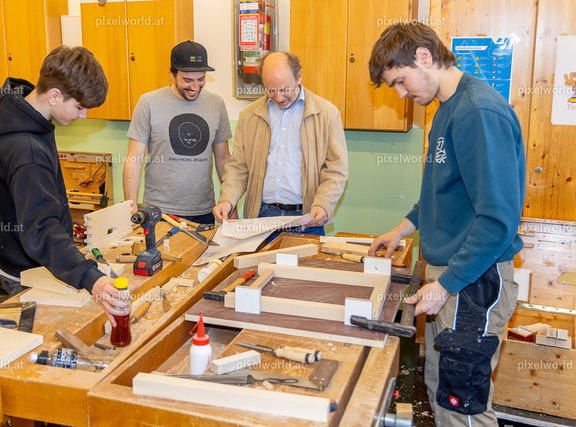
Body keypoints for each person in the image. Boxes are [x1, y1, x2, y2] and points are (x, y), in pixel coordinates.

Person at [368, 23, 525, 426]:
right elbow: (442, 194)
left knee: (463, 409)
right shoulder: (446, 109)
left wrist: (446, 285)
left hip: (473, 283)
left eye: (400, 81)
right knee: (443, 395)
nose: (400, 94)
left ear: (423, 57)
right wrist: (401, 230)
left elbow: (497, 219)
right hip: (455, 280)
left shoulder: (477, 112)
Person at [0, 46, 128, 325]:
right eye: (79, 107)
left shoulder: (12, 114)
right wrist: (93, 279)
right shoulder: (28, 149)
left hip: (16, 259)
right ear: (54, 95)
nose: (83, 116)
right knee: (42, 339)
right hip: (31, 273)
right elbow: (41, 228)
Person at [212, 52, 348, 236]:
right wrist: (227, 200)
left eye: (285, 89)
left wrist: (323, 204)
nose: (278, 98)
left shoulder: (326, 114)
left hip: (308, 218)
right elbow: (238, 167)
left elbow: (336, 170)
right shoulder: (249, 116)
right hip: (262, 217)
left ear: (299, 76)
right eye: (271, 90)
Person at [123, 41, 232, 225]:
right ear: (172, 73)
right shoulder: (148, 103)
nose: (195, 87)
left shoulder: (217, 104)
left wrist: (230, 204)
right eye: (187, 80)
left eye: (201, 79)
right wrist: (131, 208)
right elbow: (134, 159)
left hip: (204, 212)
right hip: (159, 213)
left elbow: (223, 159)